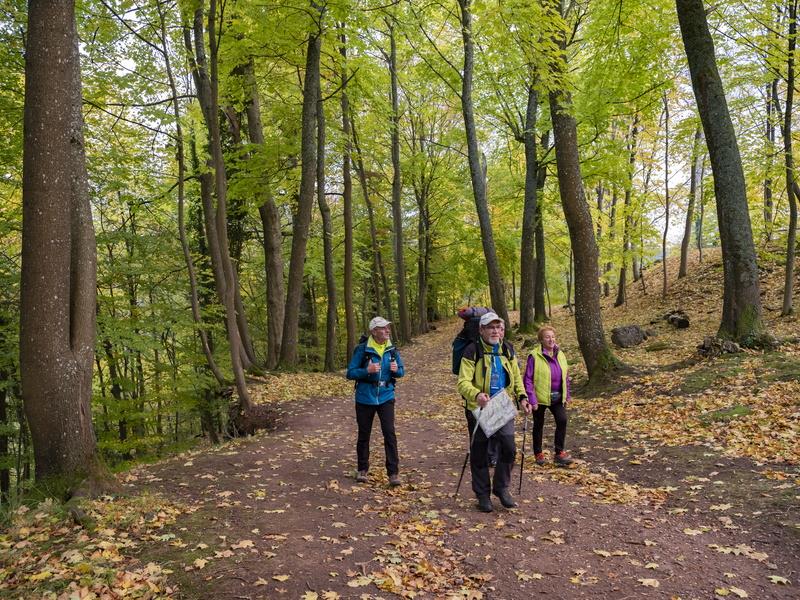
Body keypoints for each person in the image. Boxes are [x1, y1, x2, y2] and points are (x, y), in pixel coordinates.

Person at [457, 312, 531, 512]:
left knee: (509, 447)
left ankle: (501, 488)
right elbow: (462, 382)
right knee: (480, 452)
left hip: (502, 406)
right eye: (491, 327)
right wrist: (476, 394)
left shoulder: (507, 349)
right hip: (479, 407)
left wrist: (522, 398)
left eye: (499, 328)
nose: (495, 331)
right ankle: (482, 495)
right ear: (481, 330)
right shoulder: (472, 350)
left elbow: (516, 377)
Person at [346, 316, 405, 486]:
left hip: (386, 396)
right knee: (364, 434)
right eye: (383, 328)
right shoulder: (363, 349)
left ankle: (393, 473)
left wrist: (397, 370)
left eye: (388, 327)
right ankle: (362, 469)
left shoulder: (392, 349)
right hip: (365, 397)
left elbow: (401, 371)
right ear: (373, 331)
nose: (387, 330)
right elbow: (350, 373)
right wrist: (367, 370)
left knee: (389, 433)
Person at [523, 325, 573, 467]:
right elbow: (528, 378)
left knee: (562, 420)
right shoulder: (534, 356)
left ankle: (559, 453)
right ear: (541, 340)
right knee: (539, 424)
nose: (551, 339)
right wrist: (532, 399)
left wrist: (566, 395)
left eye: (552, 336)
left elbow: (566, 375)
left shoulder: (560, 354)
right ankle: (538, 454)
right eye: (547, 337)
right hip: (540, 398)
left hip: (557, 397)